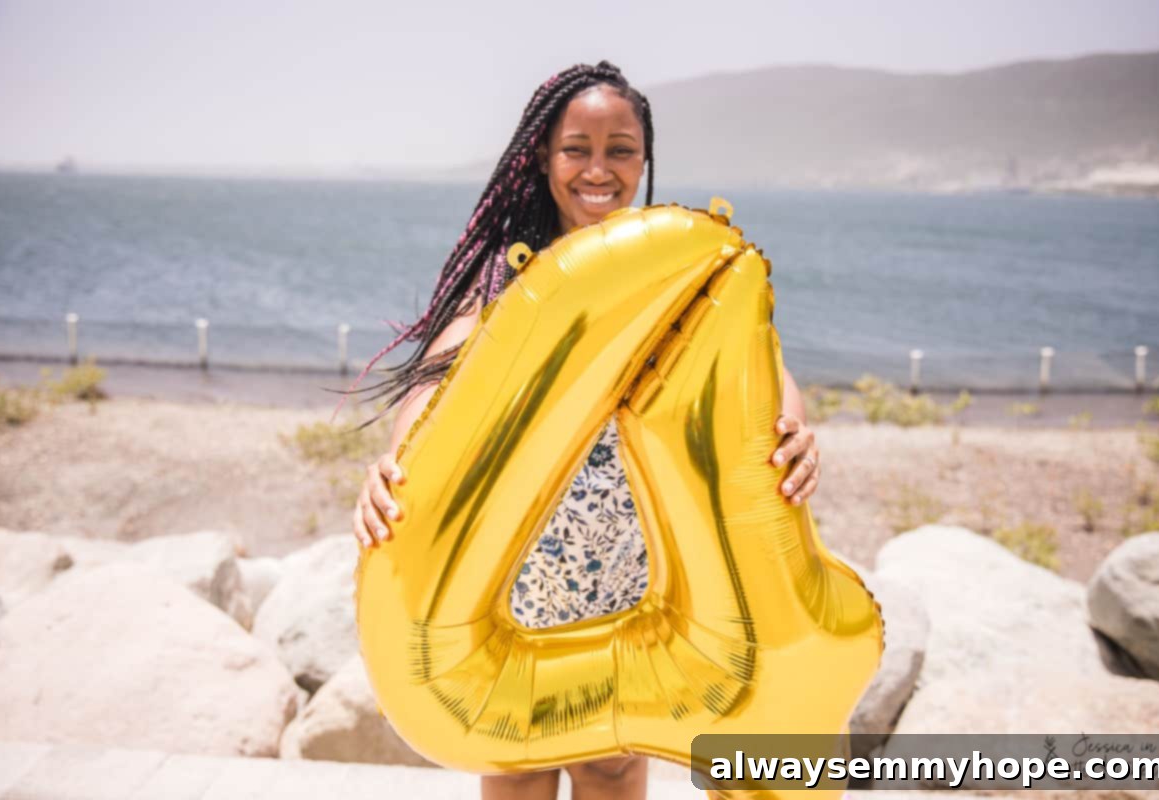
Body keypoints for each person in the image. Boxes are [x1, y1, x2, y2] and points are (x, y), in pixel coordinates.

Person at [345, 60, 822, 800]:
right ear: (543, 158)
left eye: (620, 148)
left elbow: (758, 358)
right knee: (515, 760)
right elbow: (437, 386)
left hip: (635, 564)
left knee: (612, 763)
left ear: (644, 158)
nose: (598, 168)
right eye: (577, 148)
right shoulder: (508, 278)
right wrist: (391, 464)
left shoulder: (678, 266)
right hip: (518, 567)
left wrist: (793, 426)